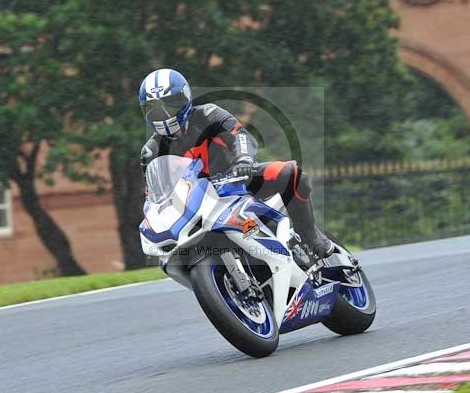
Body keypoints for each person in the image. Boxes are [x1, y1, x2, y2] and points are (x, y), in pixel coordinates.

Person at [138, 68, 334, 258]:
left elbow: (240, 136)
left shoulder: (208, 115)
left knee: (290, 174)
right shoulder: (151, 151)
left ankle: (310, 237)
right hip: (195, 207)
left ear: (184, 98)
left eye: (170, 103)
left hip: (236, 181)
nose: (163, 114)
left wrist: (243, 160)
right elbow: (154, 194)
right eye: (154, 109)